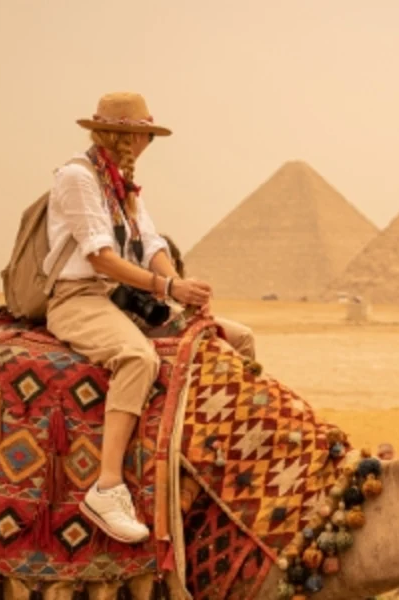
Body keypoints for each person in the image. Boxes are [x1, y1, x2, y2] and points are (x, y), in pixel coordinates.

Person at [44, 92, 257, 542]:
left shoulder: (122, 186)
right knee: (137, 358)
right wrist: (167, 288)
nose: (146, 145)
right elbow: (100, 257)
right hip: (77, 296)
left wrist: (183, 288)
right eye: (145, 136)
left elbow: (151, 244)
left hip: (121, 295)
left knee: (236, 338)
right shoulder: (78, 177)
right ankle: (106, 488)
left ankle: (220, 453)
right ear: (126, 137)